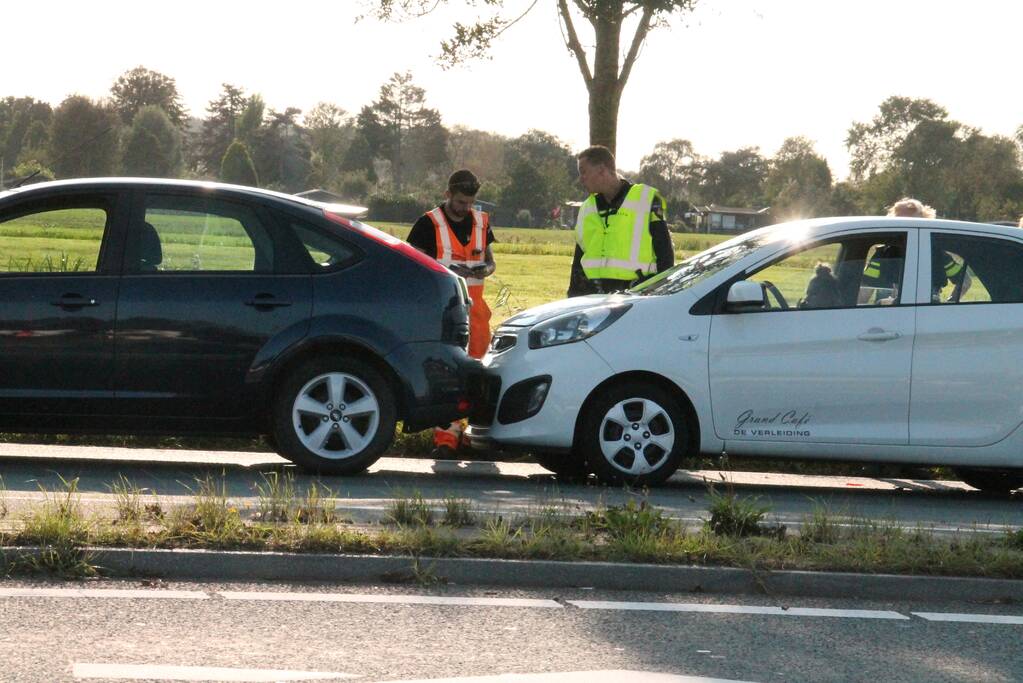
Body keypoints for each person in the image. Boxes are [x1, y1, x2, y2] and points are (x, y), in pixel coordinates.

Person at [407, 169, 496, 457]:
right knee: (449, 374)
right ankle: (446, 439)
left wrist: (487, 269)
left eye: (469, 203)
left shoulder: (482, 222)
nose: (464, 208)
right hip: (445, 310)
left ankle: (471, 435)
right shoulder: (428, 223)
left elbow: (491, 262)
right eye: (459, 202)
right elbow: (413, 263)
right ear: (447, 195)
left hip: (478, 312)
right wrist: (446, 270)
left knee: (479, 375)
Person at [568, 145, 674, 297]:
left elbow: (665, 256)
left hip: (637, 299)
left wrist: (654, 293)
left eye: (583, 172)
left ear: (601, 170)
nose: (581, 179)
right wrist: (573, 296)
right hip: (593, 299)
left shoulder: (646, 199)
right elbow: (579, 258)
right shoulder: (587, 207)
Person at [885, 197, 970, 302]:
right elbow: (864, 289)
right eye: (902, 221)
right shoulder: (884, 253)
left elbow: (965, 281)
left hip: (929, 314)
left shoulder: (937, 255)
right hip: (888, 314)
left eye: (911, 222)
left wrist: (950, 303)